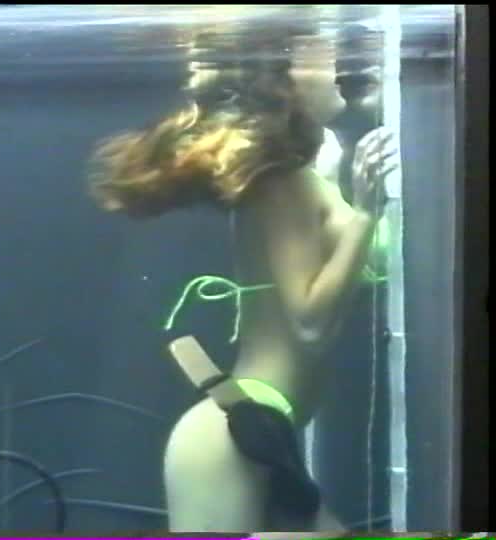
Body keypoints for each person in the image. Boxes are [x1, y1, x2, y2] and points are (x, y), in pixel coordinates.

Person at [87, 26, 398, 533]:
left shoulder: (299, 179)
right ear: (287, 78)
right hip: (236, 432)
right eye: (317, 51)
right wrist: (364, 214)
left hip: (257, 431)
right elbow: (310, 324)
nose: (336, 64)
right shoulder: (282, 184)